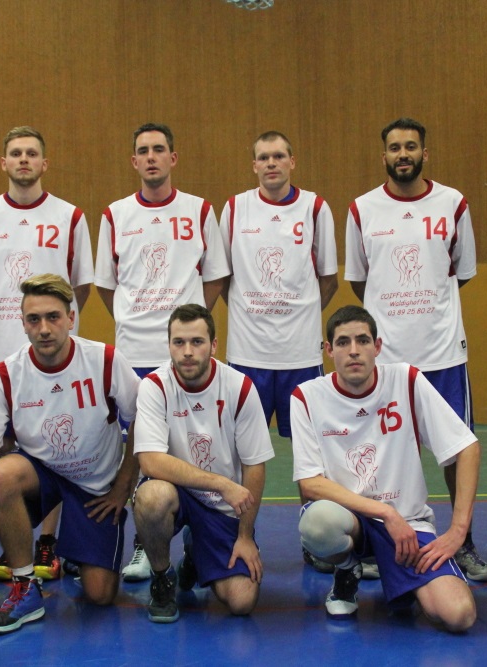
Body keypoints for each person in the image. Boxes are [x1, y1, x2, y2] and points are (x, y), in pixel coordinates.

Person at [0, 274, 140, 635]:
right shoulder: (5, 375)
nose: (44, 328)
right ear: (23, 323)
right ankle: (25, 585)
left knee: (99, 596)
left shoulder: (106, 360)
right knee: (2, 473)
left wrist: (123, 485)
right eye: (34, 319)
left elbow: (143, 420)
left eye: (53, 317)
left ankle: (77, 550)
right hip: (42, 475)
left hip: (95, 487)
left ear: (70, 318)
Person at [344, 118, 487, 581]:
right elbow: (358, 279)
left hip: (443, 352)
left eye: (410, 146)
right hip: (385, 361)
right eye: (394, 147)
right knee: (379, 454)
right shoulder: (362, 208)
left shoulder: (453, 203)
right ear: (383, 155)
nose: (402, 154)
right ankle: (377, 544)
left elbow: (461, 271)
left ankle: (461, 542)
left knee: (455, 451)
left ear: (424, 153)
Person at [95, 123, 230, 581]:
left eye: (159, 150)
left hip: (183, 351)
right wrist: (139, 321)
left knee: (191, 442)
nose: (151, 157)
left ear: (174, 157)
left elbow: (214, 276)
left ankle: (196, 532)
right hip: (134, 350)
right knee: (141, 448)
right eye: (142, 151)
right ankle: (143, 540)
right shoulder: (114, 214)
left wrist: (188, 327)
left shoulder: (199, 210)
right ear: (133, 162)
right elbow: (104, 285)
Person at [290, 305, 480, 632]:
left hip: (409, 525)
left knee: (459, 615)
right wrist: (385, 513)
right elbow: (311, 484)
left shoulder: (405, 380)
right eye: (343, 342)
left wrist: (458, 533)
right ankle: (347, 569)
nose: (353, 350)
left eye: (363, 340)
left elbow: (468, 447)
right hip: (352, 521)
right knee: (319, 522)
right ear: (328, 350)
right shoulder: (307, 396)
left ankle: (403, 578)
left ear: (377, 347)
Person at [0, 126, 95, 582]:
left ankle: (49, 542)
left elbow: (78, 287)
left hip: (52, 357)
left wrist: (49, 326)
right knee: (2, 455)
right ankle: (16, 541)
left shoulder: (70, 216)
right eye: (15, 153)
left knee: (58, 445)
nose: (23, 160)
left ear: (45, 163)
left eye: (32, 153)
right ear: (2, 162)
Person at [218, 130, 341, 574]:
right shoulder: (234, 208)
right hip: (247, 355)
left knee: (313, 455)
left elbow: (327, 278)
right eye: (263, 158)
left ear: (293, 161)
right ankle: (231, 536)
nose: (271, 164)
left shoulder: (315, 208)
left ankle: (317, 536)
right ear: (253, 166)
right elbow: (223, 276)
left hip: (300, 356)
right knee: (236, 455)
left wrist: (299, 318)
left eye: (279, 156)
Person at [130, 304, 274, 622]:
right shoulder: (154, 386)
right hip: (177, 493)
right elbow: (151, 461)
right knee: (152, 497)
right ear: (168, 345)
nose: (187, 352)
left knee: (241, 602)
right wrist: (221, 483)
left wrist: (245, 537)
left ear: (214, 345)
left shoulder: (239, 387)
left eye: (197, 342)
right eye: (178, 342)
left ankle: (196, 554)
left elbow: (255, 466)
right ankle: (162, 577)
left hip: (221, 508)